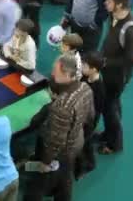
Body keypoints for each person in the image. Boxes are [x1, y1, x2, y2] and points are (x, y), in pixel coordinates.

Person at [25, 53, 93, 201]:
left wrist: (45, 162)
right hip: (77, 141)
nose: (52, 73)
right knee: (66, 177)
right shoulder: (85, 87)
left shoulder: (62, 106)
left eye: (56, 70)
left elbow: (56, 141)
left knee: (38, 184)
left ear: (68, 74)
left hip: (60, 152)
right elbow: (90, 117)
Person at [98, 0, 133, 155]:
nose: (105, 3)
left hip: (117, 76)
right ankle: (108, 134)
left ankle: (115, 143)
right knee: (112, 105)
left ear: (119, 5)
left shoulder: (131, 30)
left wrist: (106, 62)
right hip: (108, 72)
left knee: (110, 108)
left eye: (109, 2)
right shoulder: (114, 16)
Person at [75, 51, 105, 178]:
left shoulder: (98, 89)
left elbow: (96, 110)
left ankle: (88, 165)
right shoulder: (85, 77)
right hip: (80, 116)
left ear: (93, 69)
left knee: (84, 144)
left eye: (84, 65)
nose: (81, 67)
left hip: (87, 122)